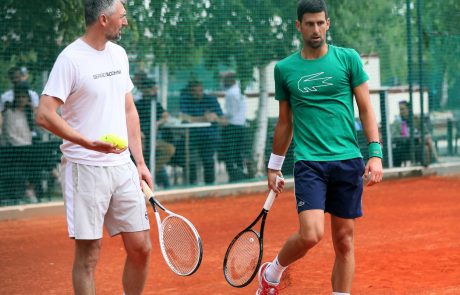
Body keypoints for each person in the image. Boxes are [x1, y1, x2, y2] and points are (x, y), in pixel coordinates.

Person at [256, 1, 383, 294]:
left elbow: (365, 108)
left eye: (320, 23)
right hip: (310, 162)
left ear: (328, 23)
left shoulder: (348, 59)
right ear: (298, 26)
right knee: (311, 234)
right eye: (309, 24)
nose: (316, 29)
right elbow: (285, 122)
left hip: (347, 160)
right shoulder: (285, 69)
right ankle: (272, 272)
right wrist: (274, 166)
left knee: (344, 240)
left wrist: (374, 153)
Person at [35, 1, 152, 294]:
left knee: (141, 248)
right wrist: (85, 141)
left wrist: (140, 163)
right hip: (83, 168)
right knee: (89, 256)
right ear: (103, 19)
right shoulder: (71, 59)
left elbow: (128, 110)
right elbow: (45, 113)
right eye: (122, 16)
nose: (125, 22)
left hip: (123, 167)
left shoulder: (119, 55)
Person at [179, 79, 226, 184]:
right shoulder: (185, 99)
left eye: (200, 90)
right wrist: (203, 118)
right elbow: (184, 117)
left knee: (208, 160)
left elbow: (223, 120)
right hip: (192, 136)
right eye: (194, 91)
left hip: (209, 136)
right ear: (190, 91)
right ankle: (192, 183)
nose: (198, 93)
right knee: (190, 159)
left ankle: (210, 184)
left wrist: (215, 118)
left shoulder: (211, 99)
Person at [135, 76, 176, 188]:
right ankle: (141, 176)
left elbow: (165, 115)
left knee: (169, 149)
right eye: (152, 88)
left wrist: (158, 123)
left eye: (154, 88)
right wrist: (139, 134)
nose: (154, 91)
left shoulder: (155, 104)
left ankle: (151, 173)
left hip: (153, 140)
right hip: (140, 141)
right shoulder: (138, 104)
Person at [391, 100, 439, 166]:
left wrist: (419, 135)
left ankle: (434, 160)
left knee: (426, 143)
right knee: (395, 151)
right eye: (400, 109)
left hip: (415, 143)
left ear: (408, 109)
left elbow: (425, 132)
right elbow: (394, 135)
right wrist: (402, 135)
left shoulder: (416, 119)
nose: (401, 111)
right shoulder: (397, 121)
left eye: (403, 109)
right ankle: (436, 159)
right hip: (403, 145)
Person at [220, 72, 248, 182]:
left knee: (229, 153)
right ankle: (240, 174)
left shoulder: (231, 93)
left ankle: (233, 176)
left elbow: (230, 112)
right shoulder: (241, 91)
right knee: (238, 152)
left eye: (224, 80)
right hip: (241, 125)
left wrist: (219, 116)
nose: (222, 82)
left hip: (232, 126)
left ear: (229, 80)